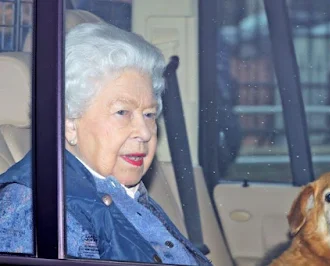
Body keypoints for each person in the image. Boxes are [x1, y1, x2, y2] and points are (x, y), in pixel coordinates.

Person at [0, 22, 211, 265]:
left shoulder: (124, 194)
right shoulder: (39, 212)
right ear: (69, 123)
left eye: (149, 114)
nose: (144, 132)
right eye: (123, 112)